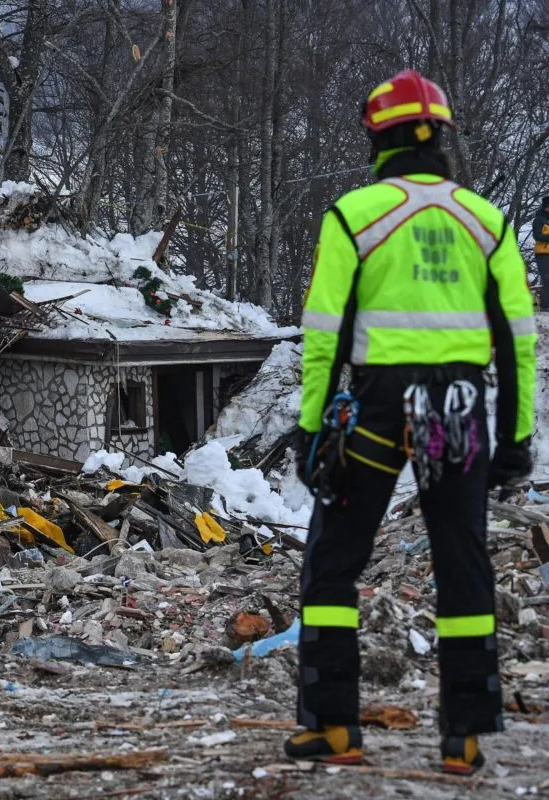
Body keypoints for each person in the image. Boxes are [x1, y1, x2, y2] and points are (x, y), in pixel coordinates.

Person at [289, 69, 536, 775]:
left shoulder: (354, 215)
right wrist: (516, 437)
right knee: (463, 564)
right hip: (457, 411)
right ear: (442, 138)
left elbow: (322, 336)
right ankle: (463, 737)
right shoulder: (487, 222)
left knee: (333, 563)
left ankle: (334, 727)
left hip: (372, 411)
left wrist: (311, 429)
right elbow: (518, 339)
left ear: (379, 137)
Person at [535, 196, 549, 308]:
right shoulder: (539, 219)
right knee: (547, 279)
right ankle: (545, 307)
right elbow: (537, 236)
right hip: (543, 253)